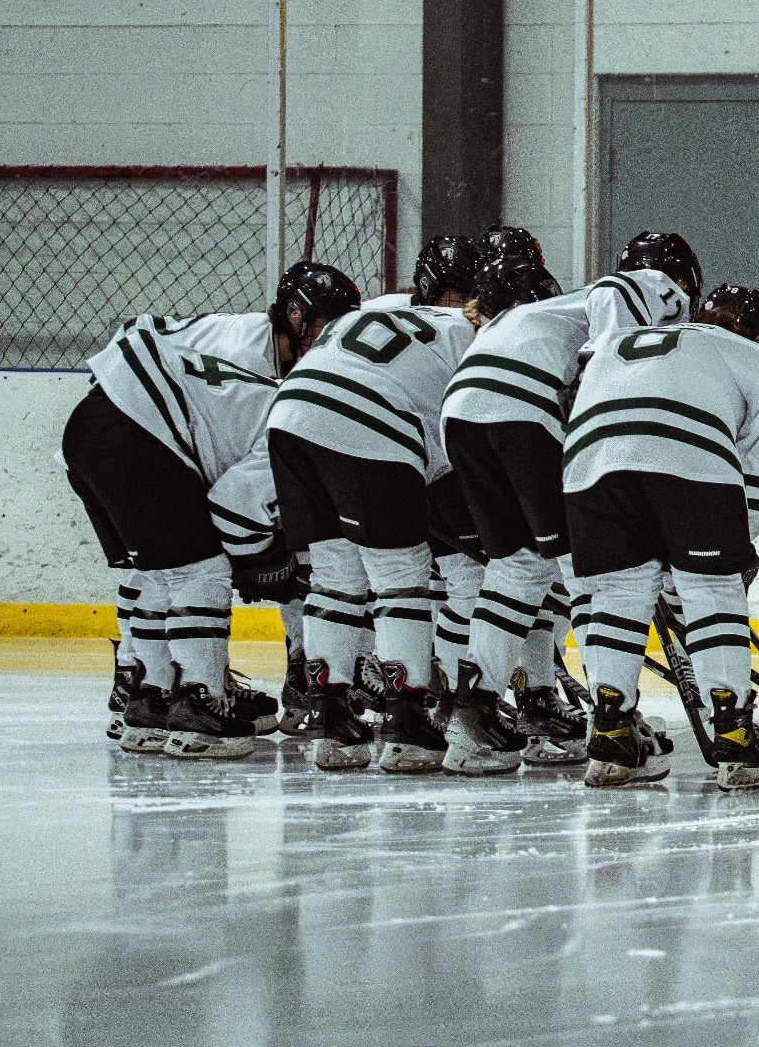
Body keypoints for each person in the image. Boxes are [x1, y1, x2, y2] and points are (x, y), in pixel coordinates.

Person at [70, 262, 359, 759]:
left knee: (161, 571)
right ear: (294, 315)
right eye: (323, 325)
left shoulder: (283, 375)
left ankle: (150, 693)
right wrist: (265, 564)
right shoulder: (253, 360)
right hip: (137, 431)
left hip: (94, 432)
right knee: (199, 570)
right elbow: (236, 505)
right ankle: (198, 697)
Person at [441, 236, 694, 770]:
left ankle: (473, 719)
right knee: (589, 568)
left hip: (462, 408)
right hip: (525, 406)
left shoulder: (532, 317)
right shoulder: (653, 287)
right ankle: (613, 719)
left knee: (519, 566)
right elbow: (616, 297)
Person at [563, 286, 759, 790]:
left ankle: (610, 730)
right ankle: (732, 733)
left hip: (588, 461)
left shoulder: (624, 339)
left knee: (618, 595)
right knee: (713, 593)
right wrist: (738, 544)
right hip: (688, 456)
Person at [267, 275, 478, 774]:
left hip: (290, 412)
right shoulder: (475, 338)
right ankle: (407, 719)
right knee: (401, 576)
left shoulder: (391, 314)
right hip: (371, 417)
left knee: (335, 575)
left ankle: (329, 717)